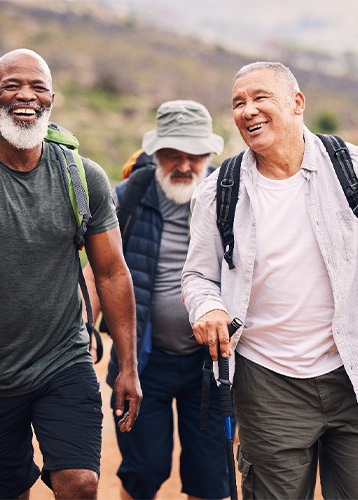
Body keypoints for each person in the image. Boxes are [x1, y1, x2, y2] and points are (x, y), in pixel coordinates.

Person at [0, 48, 142, 500]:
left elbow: (111, 273)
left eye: (38, 87)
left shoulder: (83, 178)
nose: (26, 96)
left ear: (52, 99)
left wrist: (128, 366)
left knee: (81, 483)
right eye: (12, 86)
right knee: (7, 492)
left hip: (62, 361)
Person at [181, 61, 358, 499]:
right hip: (268, 383)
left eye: (260, 98)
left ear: (296, 103)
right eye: (238, 103)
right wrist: (208, 306)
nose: (248, 111)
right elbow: (198, 275)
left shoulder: (350, 169)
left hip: (351, 369)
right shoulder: (218, 191)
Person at [84, 99, 233, 500]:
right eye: (173, 155)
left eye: (195, 155)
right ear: (156, 153)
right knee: (143, 472)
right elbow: (100, 270)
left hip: (212, 364)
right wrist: (80, 329)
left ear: (208, 154)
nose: (185, 165)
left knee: (211, 477)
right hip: (141, 360)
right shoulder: (128, 196)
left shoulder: (230, 196)